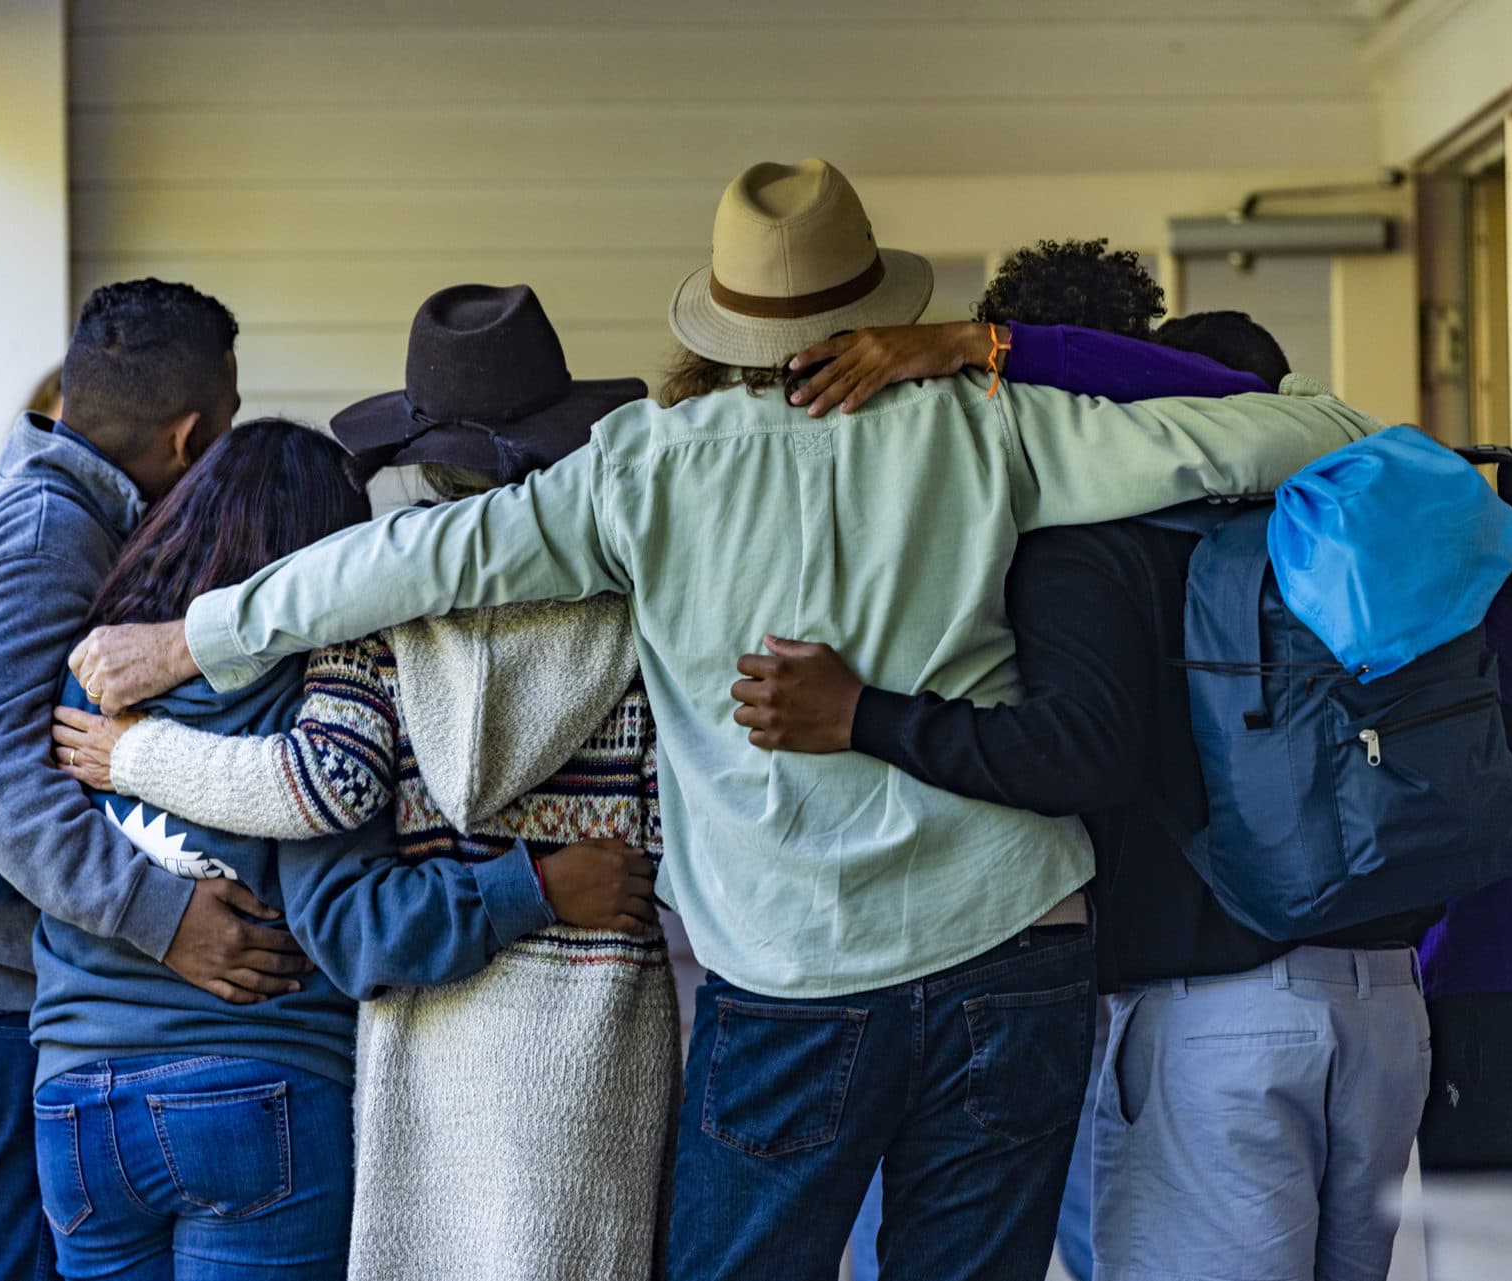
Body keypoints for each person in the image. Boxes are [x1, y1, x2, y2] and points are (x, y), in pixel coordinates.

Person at [67, 158, 1382, 1281]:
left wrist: (196, 635)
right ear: (880, 304)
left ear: (725, 319)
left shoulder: (652, 467)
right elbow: (1314, 429)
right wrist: (989, 349)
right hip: (1013, 943)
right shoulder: (997, 427)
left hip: (793, 973)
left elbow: (421, 560)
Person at [738, 307, 1441, 1281]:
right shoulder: (1344, 528)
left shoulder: (1092, 543)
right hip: (1384, 1001)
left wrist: (860, 715)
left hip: (1217, 1013)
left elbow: (1079, 753)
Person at [49, 284, 679, 1281]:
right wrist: (553, 882)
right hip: (586, 1047)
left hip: (355, 1066)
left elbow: (324, 799)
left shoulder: (344, 638)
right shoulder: (648, 627)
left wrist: (128, 762)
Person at [0, 279, 306, 1281]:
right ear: (188, 438)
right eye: (227, 425)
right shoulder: (52, 534)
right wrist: (161, 914)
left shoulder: (34, 508)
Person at [839, 235, 1186, 1281]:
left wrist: (863, 717)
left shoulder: (958, 507)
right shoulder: (1197, 482)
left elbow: (1073, 746)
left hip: (985, 913)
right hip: (1157, 928)